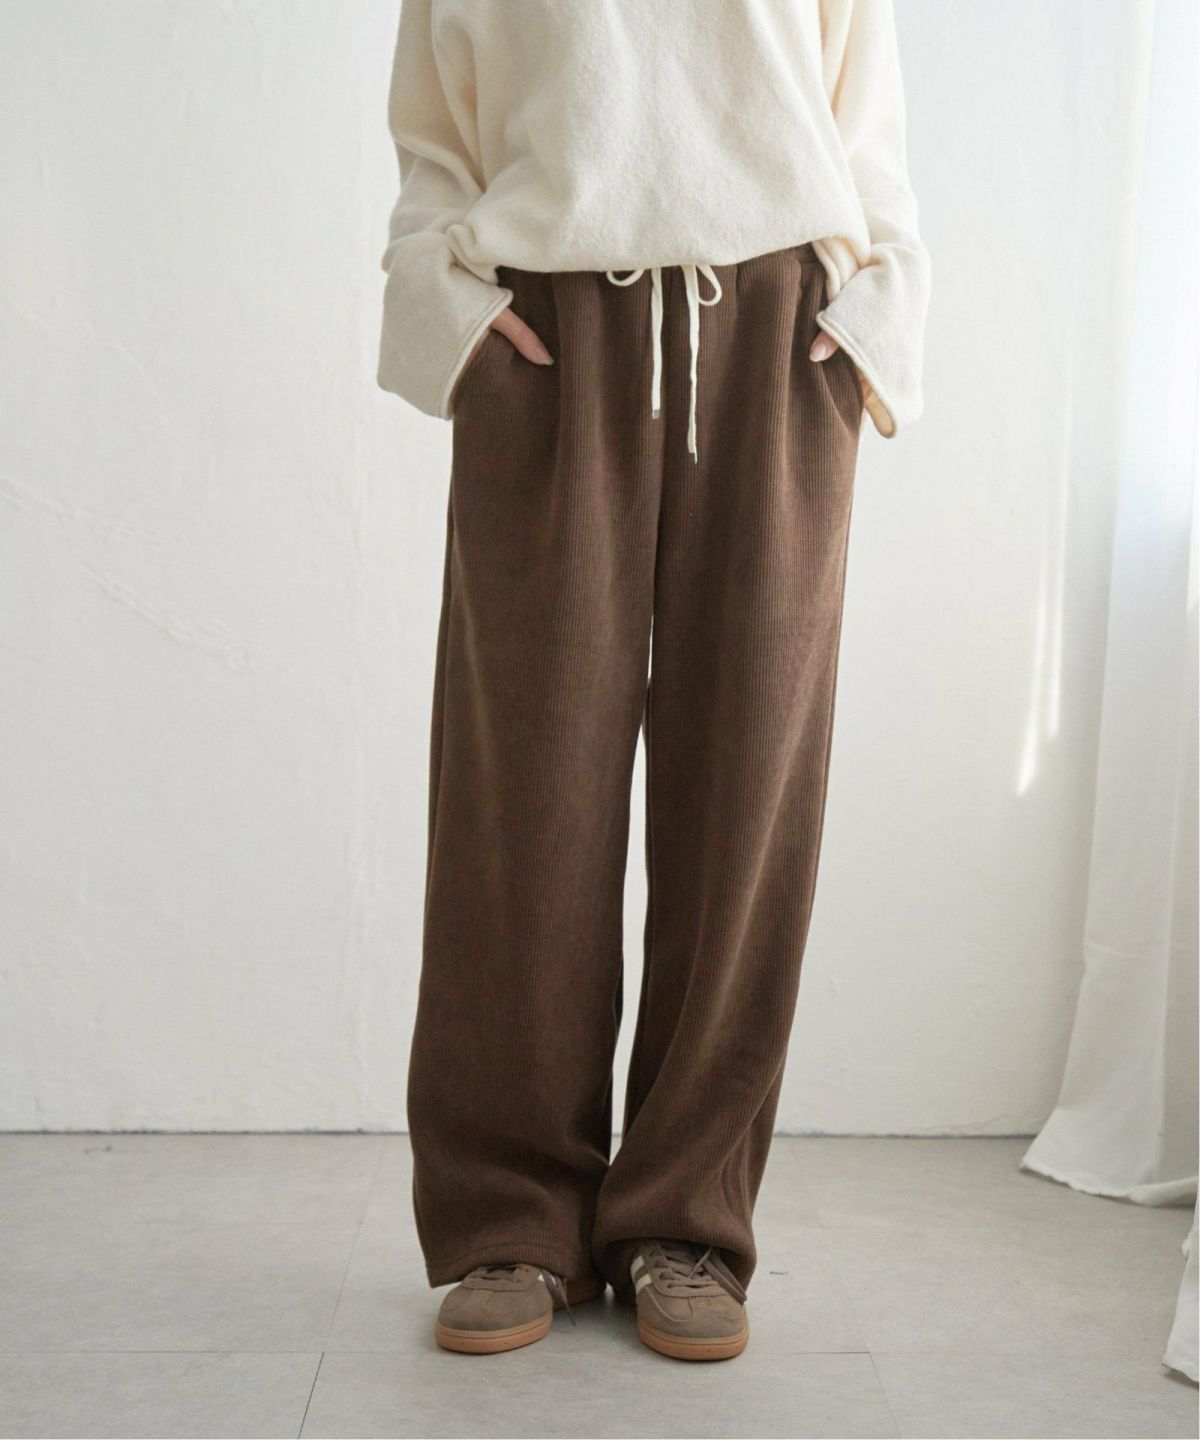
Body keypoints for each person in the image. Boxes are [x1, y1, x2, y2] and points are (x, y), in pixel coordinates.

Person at [376, 0, 929, 1362]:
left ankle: (688, 1219)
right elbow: (433, 132)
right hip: (548, 327)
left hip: (781, 327)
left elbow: (866, 117)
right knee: (524, 791)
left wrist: (876, 310)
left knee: (747, 793)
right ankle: (511, 1215)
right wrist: (449, 309)